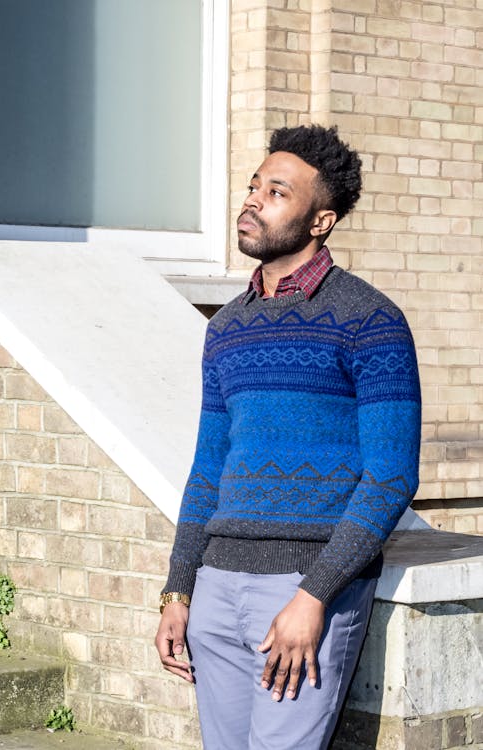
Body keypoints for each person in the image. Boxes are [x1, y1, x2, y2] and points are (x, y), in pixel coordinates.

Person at [155, 124, 421, 750]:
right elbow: (207, 469)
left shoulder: (370, 320)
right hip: (216, 587)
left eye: (277, 191)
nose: (252, 200)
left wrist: (314, 596)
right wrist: (178, 588)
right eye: (253, 186)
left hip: (303, 591)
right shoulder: (224, 329)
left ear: (320, 220)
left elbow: (392, 476)